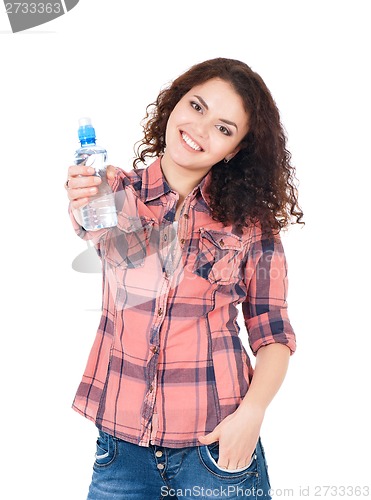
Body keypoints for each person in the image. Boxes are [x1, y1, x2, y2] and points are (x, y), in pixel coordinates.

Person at [65, 57, 303, 500]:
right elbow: (118, 251)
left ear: (234, 149)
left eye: (224, 128)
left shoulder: (251, 225)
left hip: (216, 449)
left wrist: (250, 417)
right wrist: (85, 200)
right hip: (121, 453)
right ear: (175, 103)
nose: (200, 128)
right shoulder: (114, 189)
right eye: (196, 106)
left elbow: (273, 333)